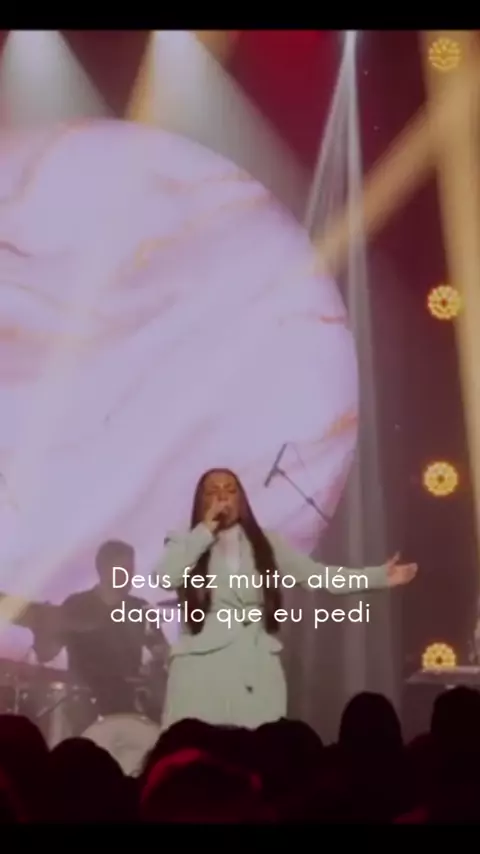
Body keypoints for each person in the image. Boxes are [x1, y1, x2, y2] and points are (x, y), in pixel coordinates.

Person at [155, 468, 417, 731]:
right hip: (201, 668)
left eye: (230, 490)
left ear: (242, 499)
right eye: (213, 491)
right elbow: (166, 577)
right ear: (200, 501)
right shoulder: (184, 540)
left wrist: (377, 576)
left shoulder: (266, 542)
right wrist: (204, 531)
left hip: (255, 664)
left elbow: (317, 575)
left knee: (258, 746)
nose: (222, 496)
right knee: (197, 747)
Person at [34, 540, 167, 719]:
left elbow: (162, 651)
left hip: (127, 703)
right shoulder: (76, 605)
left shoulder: (141, 608)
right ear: (103, 569)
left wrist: (158, 665)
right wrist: (41, 628)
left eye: (131, 570)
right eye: (123, 570)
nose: (129, 576)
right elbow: (46, 654)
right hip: (81, 703)